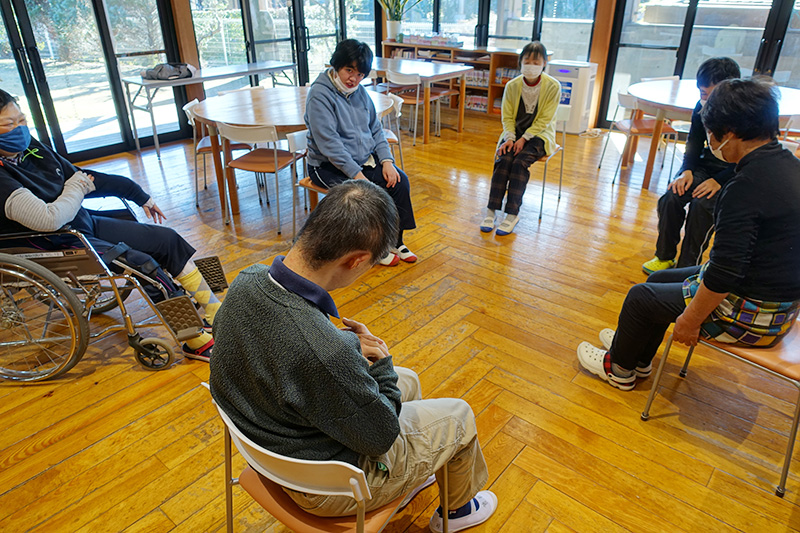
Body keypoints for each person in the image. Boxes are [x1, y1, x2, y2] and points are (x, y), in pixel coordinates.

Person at [210, 180, 497, 532]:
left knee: (409, 381)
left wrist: (341, 346)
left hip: (269, 438)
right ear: (357, 260)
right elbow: (380, 437)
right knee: (459, 415)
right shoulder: (325, 353)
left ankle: (413, 474)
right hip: (324, 487)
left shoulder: (247, 281)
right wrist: (381, 363)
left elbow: (287, 346)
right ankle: (458, 512)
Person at [577, 78, 800, 391]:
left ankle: (619, 368)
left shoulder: (744, 188)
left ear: (731, 133)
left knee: (639, 297)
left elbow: (724, 274)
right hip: (781, 305)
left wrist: (691, 320)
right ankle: (637, 355)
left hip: (754, 317)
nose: (709, 140)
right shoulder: (790, 165)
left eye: (711, 133)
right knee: (657, 281)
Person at [0, 90, 218, 362]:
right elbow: (48, 219)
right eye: (10, 124)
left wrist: (138, 195)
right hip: (50, 242)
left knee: (167, 239)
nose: (20, 129)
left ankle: (215, 312)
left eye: (22, 120)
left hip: (80, 223)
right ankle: (194, 340)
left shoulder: (31, 147)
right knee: (141, 264)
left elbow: (83, 177)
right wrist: (75, 187)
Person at [304, 39, 416, 267]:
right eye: (349, 70)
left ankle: (395, 240)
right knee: (362, 195)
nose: (353, 79)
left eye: (360, 74)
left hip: (362, 160)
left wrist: (386, 161)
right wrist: (357, 175)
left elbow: (376, 129)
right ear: (336, 65)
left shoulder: (360, 92)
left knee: (399, 181)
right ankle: (371, 248)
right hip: (326, 165)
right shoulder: (319, 95)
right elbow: (330, 145)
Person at [641, 57, 740, 274]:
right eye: (701, 92)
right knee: (671, 197)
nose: (702, 97)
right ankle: (664, 256)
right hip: (704, 167)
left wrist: (719, 181)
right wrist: (685, 170)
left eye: (708, 93)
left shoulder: (744, 113)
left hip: (733, 175)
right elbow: (694, 143)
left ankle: (687, 267)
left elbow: (750, 160)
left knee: (702, 206)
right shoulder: (701, 107)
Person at [480, 41, 561, 236]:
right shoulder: (512, 85)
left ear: (544, 63)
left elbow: (545, 119)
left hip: (540, 135)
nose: (531, 65)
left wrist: (524, 139)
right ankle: (491, 209)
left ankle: (512, 213)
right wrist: (510, 138)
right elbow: (507, 116)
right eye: (527, 61)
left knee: (519, 163)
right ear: (520, 62)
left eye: (536, 61)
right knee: (504, 159)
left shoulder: (553, 86)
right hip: (512, 134)